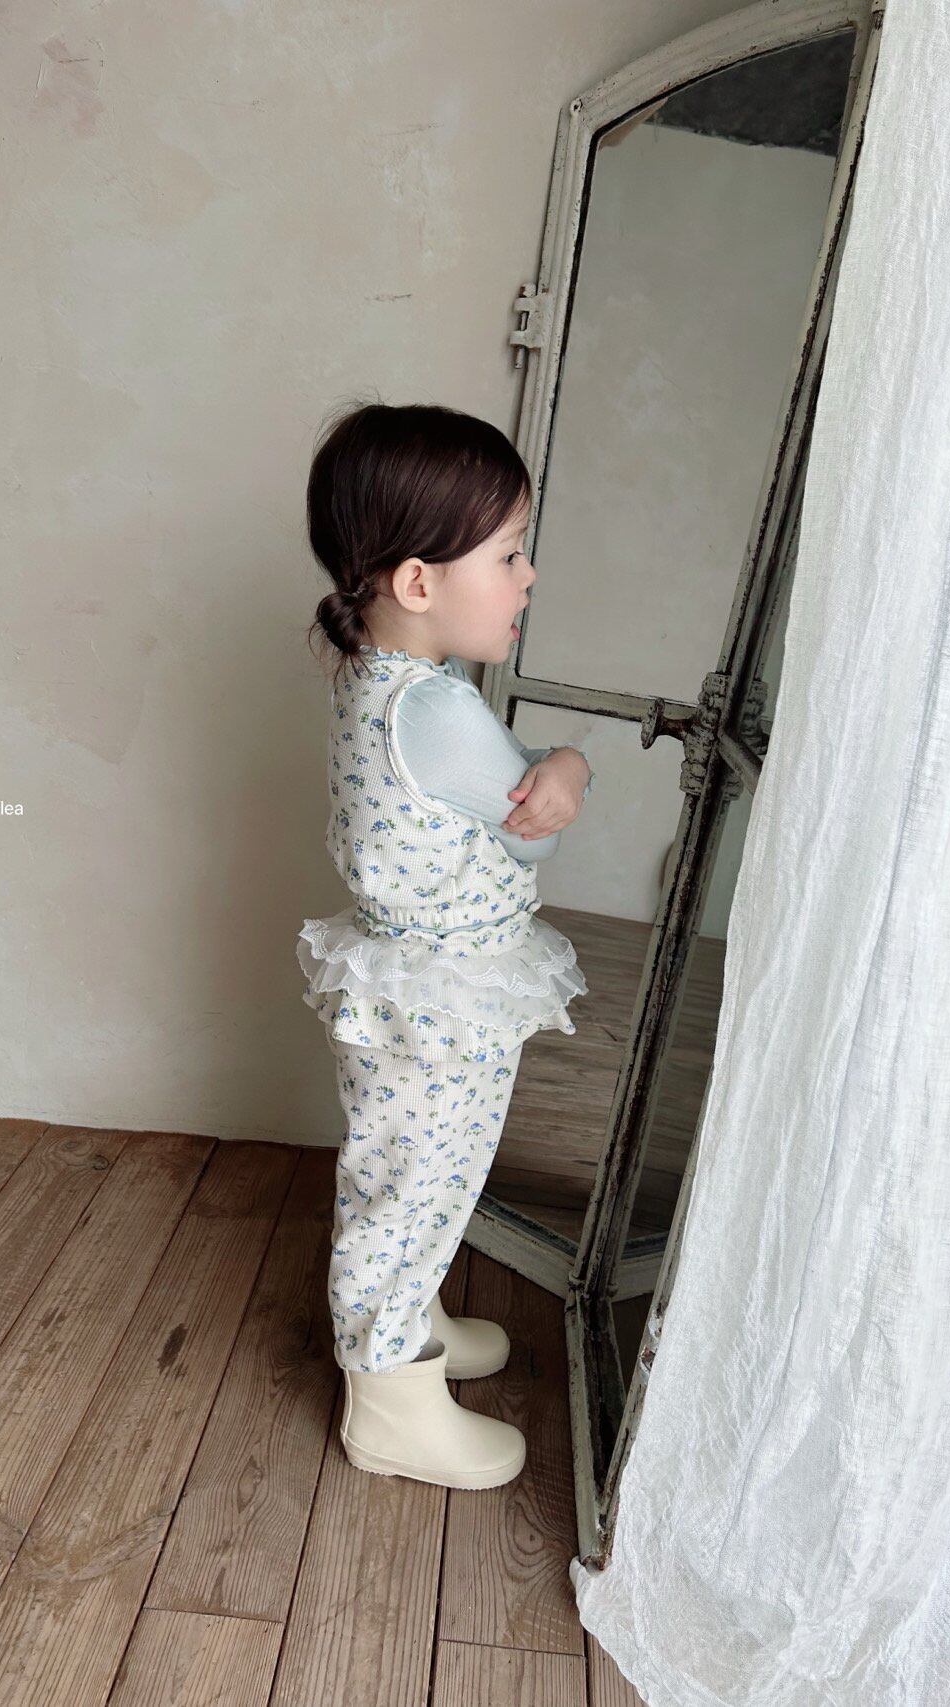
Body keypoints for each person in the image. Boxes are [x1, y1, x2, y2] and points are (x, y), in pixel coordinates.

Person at [297, 399, 593, 1490]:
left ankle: (409, 1322)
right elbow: (532, 832)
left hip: (416, 984)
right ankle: (389, 1401)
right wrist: (569, 764)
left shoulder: (375, 676)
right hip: (444, 993)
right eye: (510, 554)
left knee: (414, 1173)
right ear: (418, 583)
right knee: (416, 1178)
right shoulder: (440, 713)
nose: (527, 576)